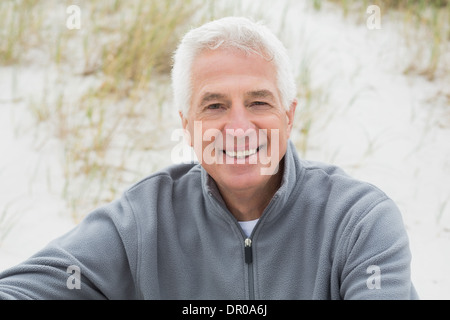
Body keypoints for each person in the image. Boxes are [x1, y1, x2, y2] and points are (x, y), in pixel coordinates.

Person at [0, 16, 418, 300]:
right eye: (214, 106)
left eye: (258, 102)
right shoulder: (144, 219)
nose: (238, 128)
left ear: (289, 116)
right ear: (187, 125)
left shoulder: (359, 221)